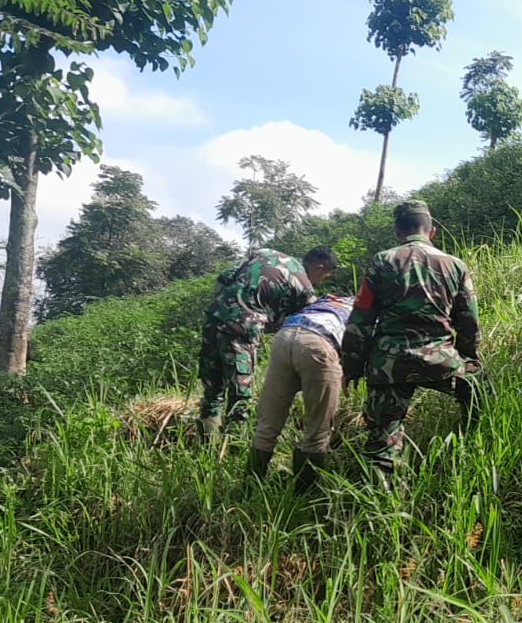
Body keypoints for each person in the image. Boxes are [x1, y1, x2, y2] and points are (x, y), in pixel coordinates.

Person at [342, 199, 485, 480]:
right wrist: (469, 357)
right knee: (481, 393)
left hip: (388, 363)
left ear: (397, 231)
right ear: (431, 231)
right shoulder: (455, 265)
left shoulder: (382, 261)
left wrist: (352, 367)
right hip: (441, 360)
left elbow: (360, 320)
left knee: (383, 436)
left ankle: (382, 500)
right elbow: (469, 323)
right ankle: (472, 448)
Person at [198, 246, 339, 435]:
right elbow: (304, 322)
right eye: (325, 276)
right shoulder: (303, 286)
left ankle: (208, 444)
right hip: (241, 328)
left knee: (212, 391)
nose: (321, 280)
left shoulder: (265, 253)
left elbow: (223, 278)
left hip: (213, 317)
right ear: (320, 267)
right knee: (240, 392)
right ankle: (233, 448)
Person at [248, 294, 354, 490]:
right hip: (320, 342)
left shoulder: (328, 299)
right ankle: (303, 495)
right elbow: (361, 345)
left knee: (267, 424)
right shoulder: (368, 310)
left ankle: (248, 488)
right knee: (318, 429)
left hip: (284, 336)